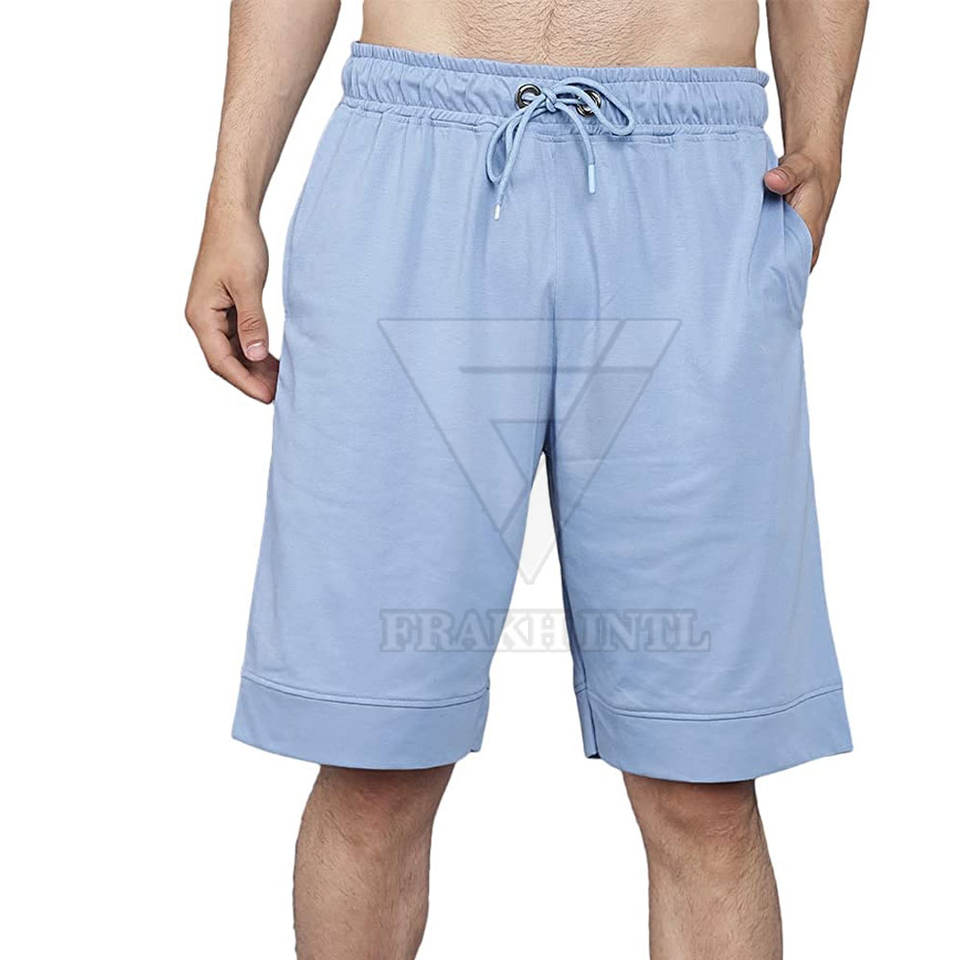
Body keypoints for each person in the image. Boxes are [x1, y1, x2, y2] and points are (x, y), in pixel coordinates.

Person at [186, 2, 868, 956]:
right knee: (373, 761)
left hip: (695, 179)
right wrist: (232, 196)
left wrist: (820, 146)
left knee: (703, 782)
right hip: (411, 159)